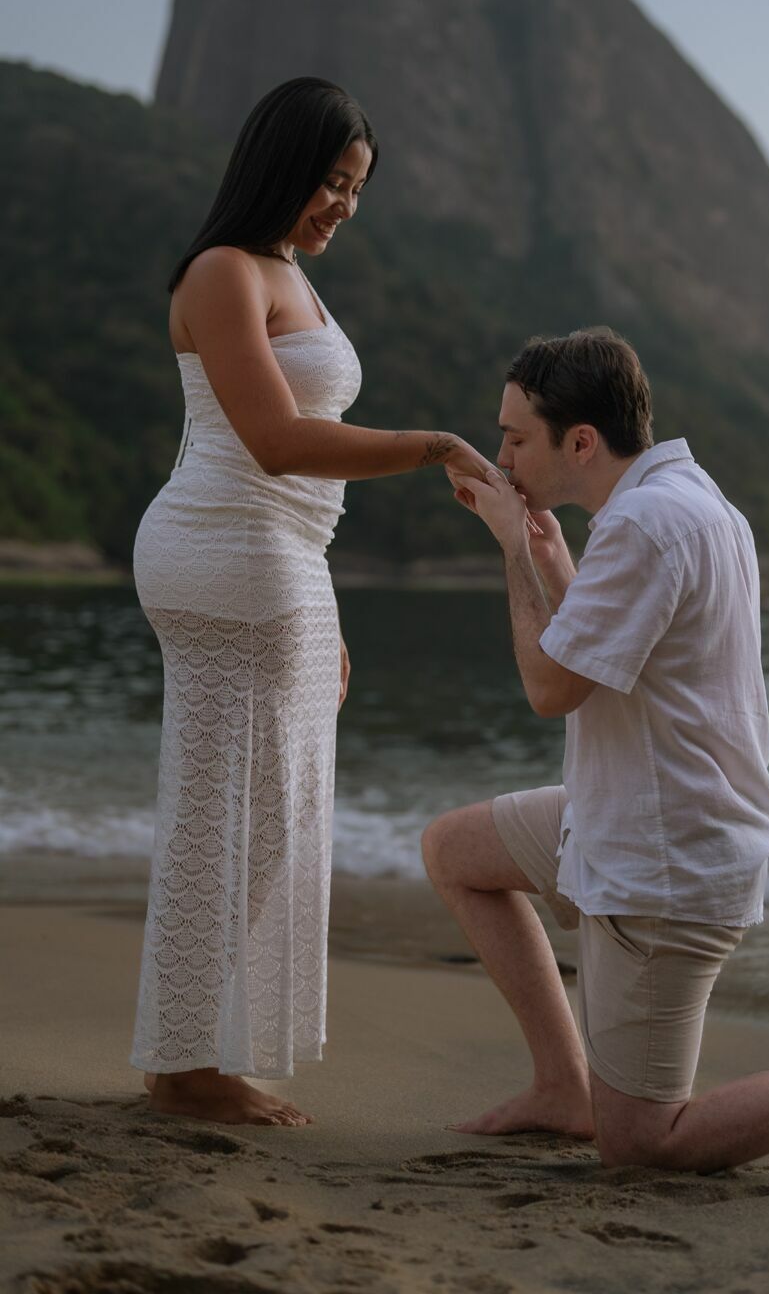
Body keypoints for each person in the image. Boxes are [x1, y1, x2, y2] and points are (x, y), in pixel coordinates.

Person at [423, 328, 769, 1172]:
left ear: (580, 442)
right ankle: (560, 1086)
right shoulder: (685, 499)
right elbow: (609, 653)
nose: (501, 453)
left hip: (665, 856)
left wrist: (511, 546)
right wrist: (550, 554)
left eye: (515, 437)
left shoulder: (647, 526)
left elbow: (550, 689)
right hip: (636, 806)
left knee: (645, 1147)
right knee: (455, 849)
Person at [132, 77, 496, 1127]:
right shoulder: (221, 271)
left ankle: (185, 1052)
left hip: (275, 555)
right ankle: (186, 1066)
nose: (342, 203)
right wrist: (432, 444)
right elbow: (277, 442)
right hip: (224, 546)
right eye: (330, 181)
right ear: (280, 167)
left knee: (263, 808)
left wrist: (325, 611)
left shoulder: (286, 272)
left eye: (355, 187)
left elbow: (301, 489)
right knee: (235, 808)